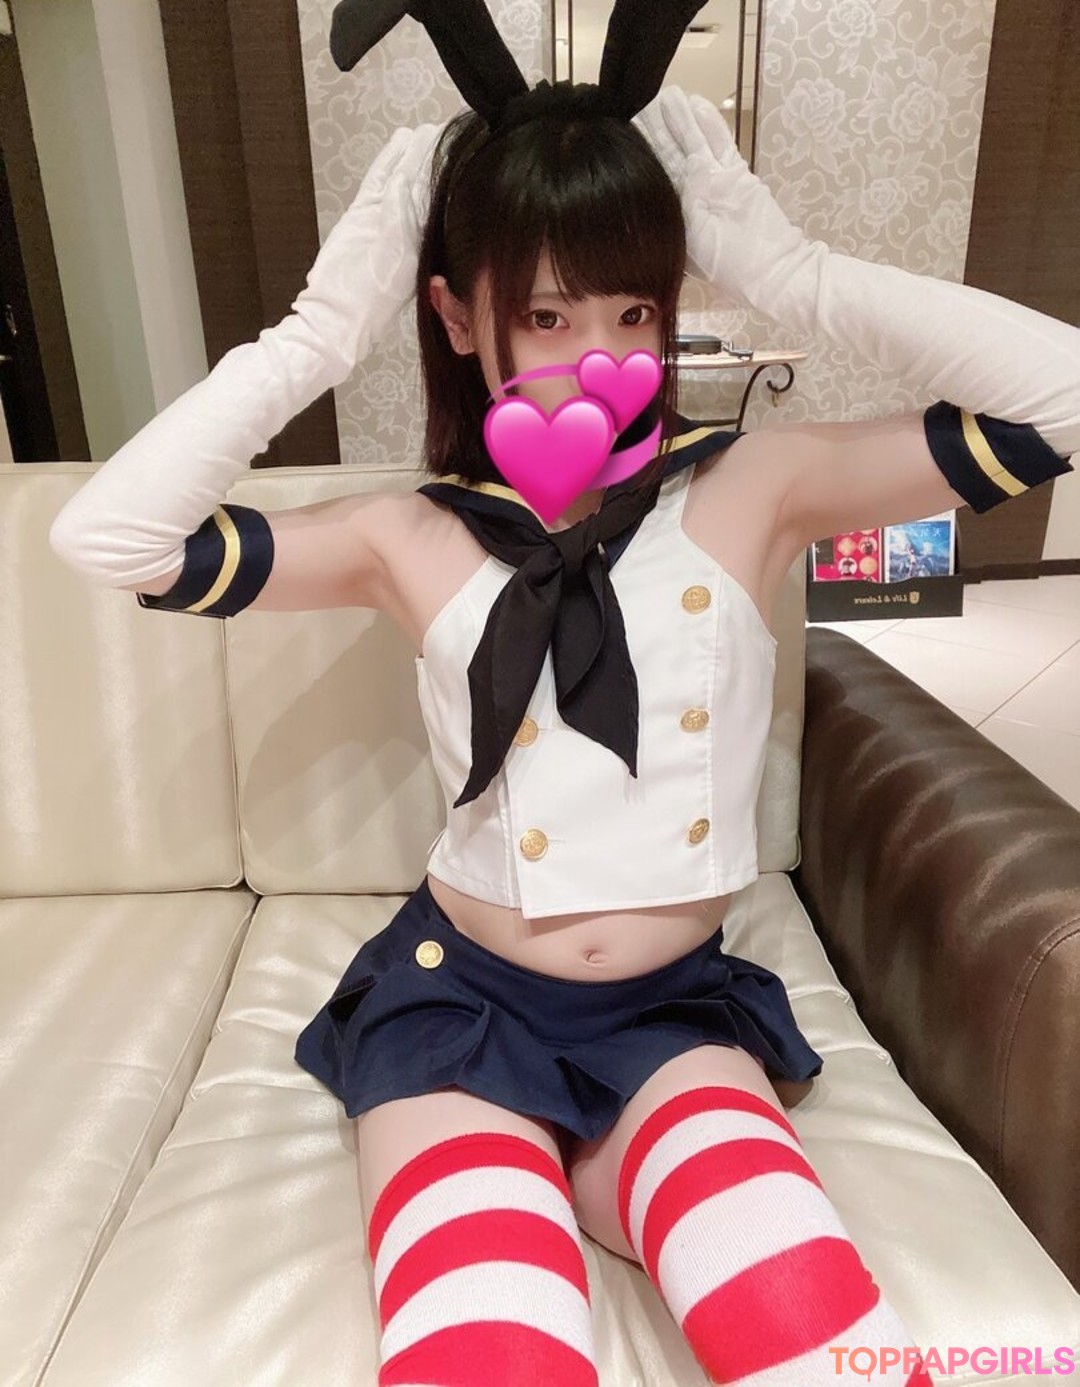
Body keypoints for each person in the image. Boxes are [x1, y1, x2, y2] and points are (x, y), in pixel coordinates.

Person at [48, 2, 1079, 1384]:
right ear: (456, 316)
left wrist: (798, 272)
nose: (604, 353)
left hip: (672, 1019)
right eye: (545, 313)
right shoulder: (410, 535)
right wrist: (315, 336)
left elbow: (1066, 400)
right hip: (458, 1015)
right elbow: (112, 540)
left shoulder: (751, 486)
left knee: (817, 1340)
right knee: (496, 1355)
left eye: (634, 308)